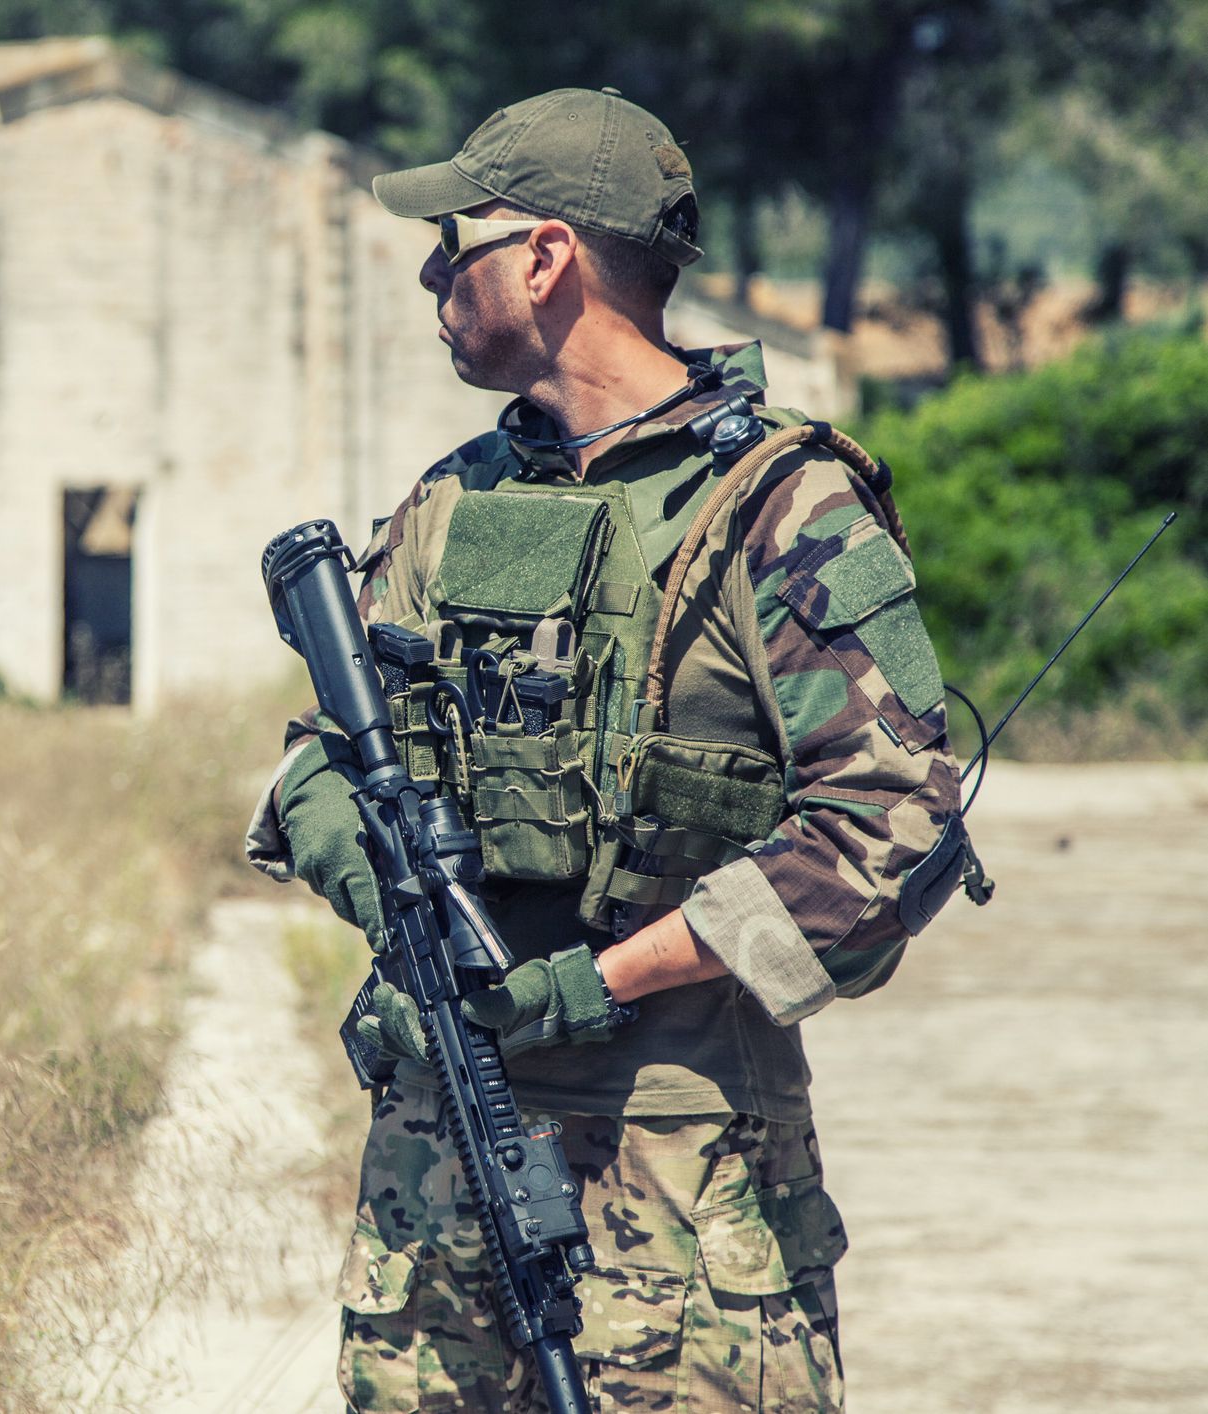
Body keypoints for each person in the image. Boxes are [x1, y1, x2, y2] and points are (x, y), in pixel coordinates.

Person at [245, 88, 964, 1412]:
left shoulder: (781, 505)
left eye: (451, 244)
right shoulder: (455, 499)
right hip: (439, 1180)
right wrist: (411, 927)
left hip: (680, 1195)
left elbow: (887, 831)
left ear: (543, 257)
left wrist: (592, 982)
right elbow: (317, 763)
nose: (428, 277)